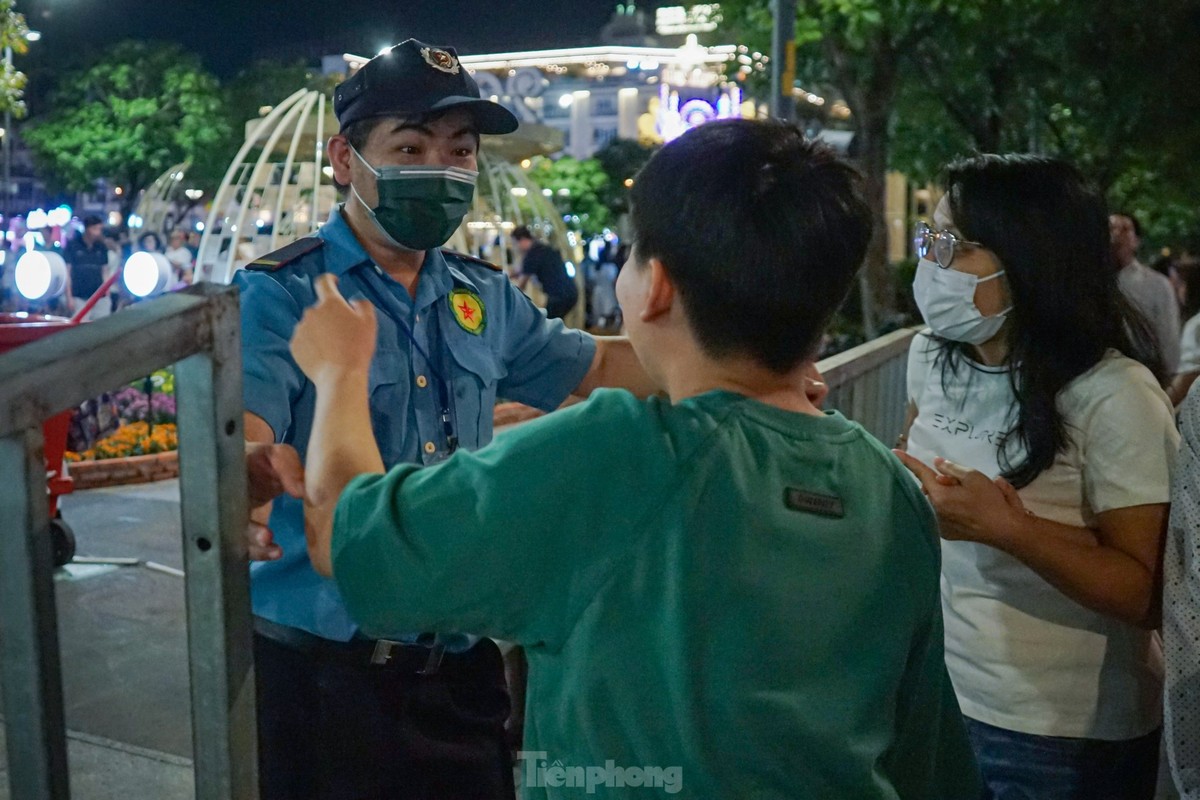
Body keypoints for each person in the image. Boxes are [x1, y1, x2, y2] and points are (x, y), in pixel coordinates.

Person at [291, 119, 981, 799]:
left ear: (655, 288)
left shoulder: (615, 453)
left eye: (632, 252)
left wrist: (340, 370)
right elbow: (926, 757)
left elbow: (346, 539)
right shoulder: (888, 486)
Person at [235, 39, 657, 800]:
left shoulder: (481, 295)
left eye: (460, 151)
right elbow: (246, 429)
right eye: (410, 146)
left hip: (460, 672)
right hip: (323, 679)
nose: (442, 167)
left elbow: (593, 367)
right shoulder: (284, 292)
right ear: (344, 159)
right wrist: (249, 474)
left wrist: (740, 363)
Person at [896, 154, 1176, 799]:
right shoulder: (930, 359)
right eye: (931, 239)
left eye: (958, 246)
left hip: (1061, 734)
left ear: (1030, 259)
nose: (933, 263)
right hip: (943, 700)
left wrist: (1007, 528)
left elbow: (1146, 591)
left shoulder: (1114, 394)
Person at [1112, 211, 1181, 376]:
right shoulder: (1088, 281)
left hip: (1144, 374)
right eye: (1111, 228)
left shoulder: (1156, 284)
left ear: (1136, 241)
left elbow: (1168, 335)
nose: (1116, 234)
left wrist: (1170, 376)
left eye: (1125, 229)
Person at [511, 225, 578, 320]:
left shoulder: (532, 254)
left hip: (559, 296)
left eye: (515, 243)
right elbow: (521, 271)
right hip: (569, 292)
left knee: (548, 324)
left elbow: (522, 284)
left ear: (522, 240)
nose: (516, 247)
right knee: (552, 323)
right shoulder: (541, 249)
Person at [64, 215, 112, 320]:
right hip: (79, 295)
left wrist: (107, 293)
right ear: (87, 229)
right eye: (95, 229)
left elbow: (105, 271)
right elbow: (67, 272)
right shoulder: (73, 245)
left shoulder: (101, 247)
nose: (97, 232)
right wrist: (69, 296)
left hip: (99, 296)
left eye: (100, 229)